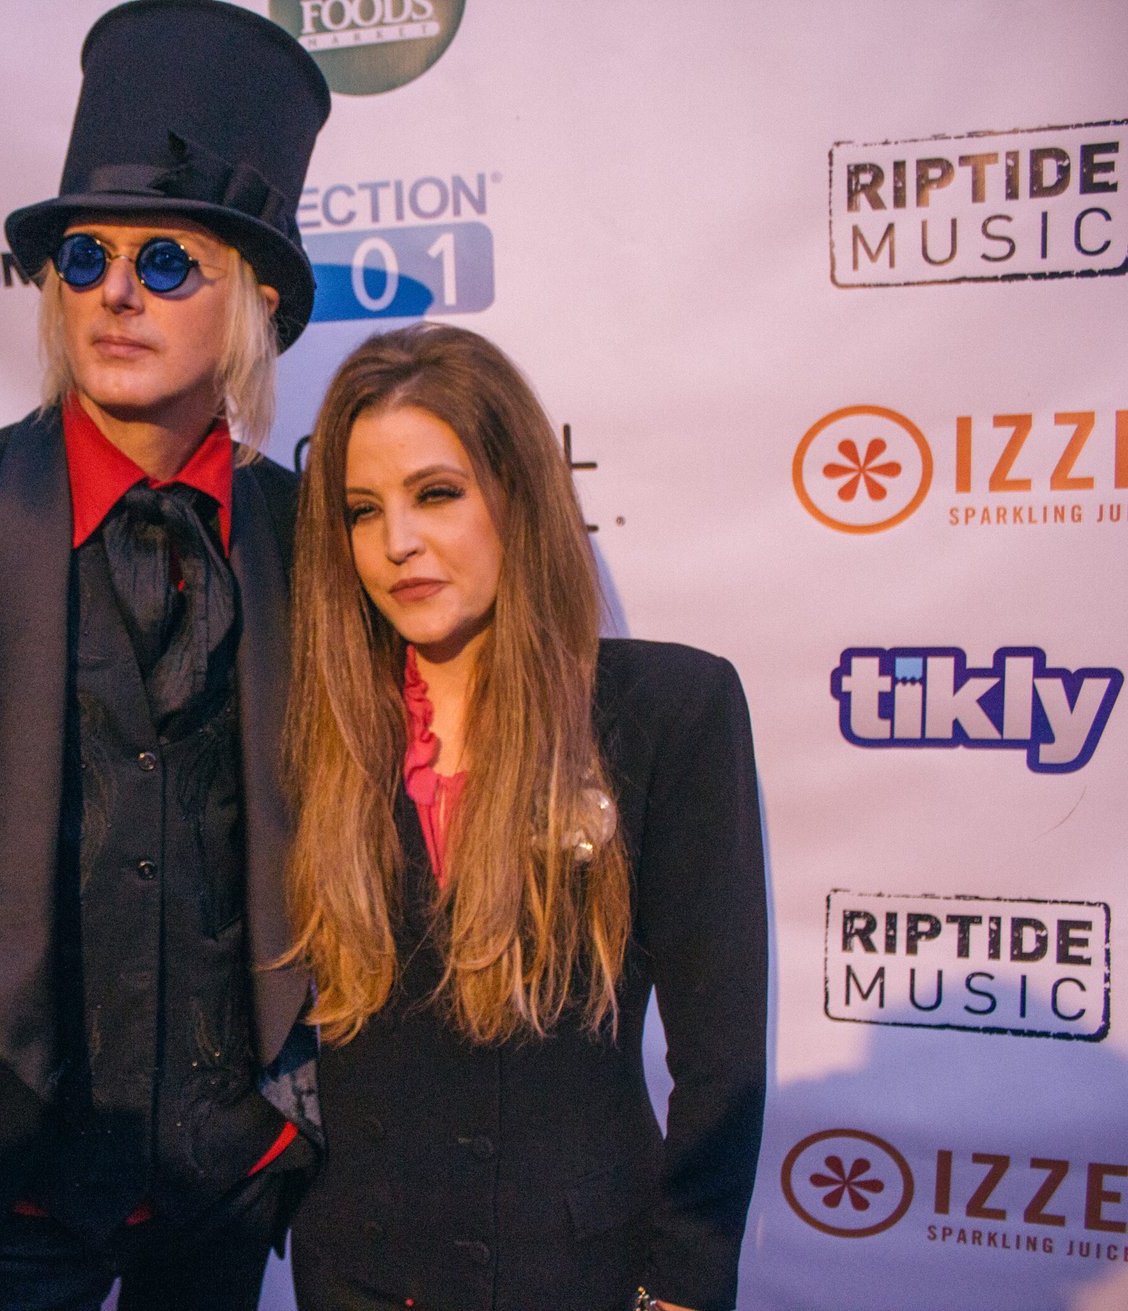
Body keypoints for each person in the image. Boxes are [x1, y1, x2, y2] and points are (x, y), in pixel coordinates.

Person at [0, 4, 330, 1309]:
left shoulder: (307, 540)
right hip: (6, 1180)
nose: (114, 290)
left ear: (253, 302)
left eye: (165, 261)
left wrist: (282, 1105)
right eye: (84, 255)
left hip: (225, 1173)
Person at [282, 323, 767, 1311]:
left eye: (437, 493)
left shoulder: (668, 712)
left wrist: (681, 1284)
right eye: (361, 510)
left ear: (518, 494)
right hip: (355, 1279)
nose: (396, 544)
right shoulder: (319, 733)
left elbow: (720, 1057)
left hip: (583, 1276)